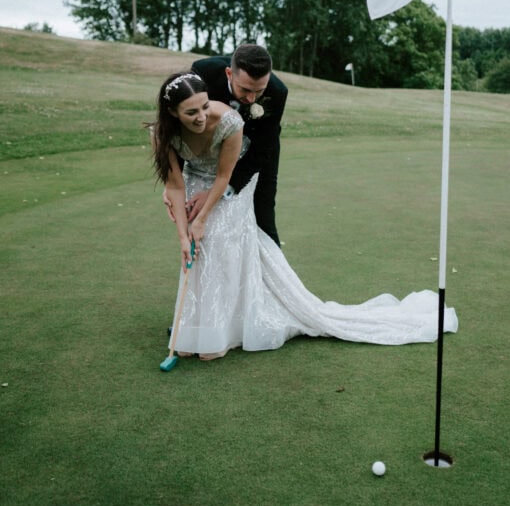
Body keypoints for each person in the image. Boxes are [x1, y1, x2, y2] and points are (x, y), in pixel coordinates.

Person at [152, 71, 458, 361]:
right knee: (196, 250)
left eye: (205, 106)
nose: (202, 116)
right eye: (191, 113)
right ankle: (193, 331)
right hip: (194, 183)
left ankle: (220, 333)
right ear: (172, 113)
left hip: (230, 185)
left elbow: (224, 177)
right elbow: (176, 186)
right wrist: (183, 234)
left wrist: (204, 217)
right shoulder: (162, 134)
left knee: (217, 240)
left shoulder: (229, 121)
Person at [190, 44, 287, 245]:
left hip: (259, 145)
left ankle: (270, 272)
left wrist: (223, 190)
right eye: (245, 89)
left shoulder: (278, 92)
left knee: (264, 210)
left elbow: (261, 149)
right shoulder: (203, 74)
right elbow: (185, 125)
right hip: (216, 144)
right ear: (229, 74)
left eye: (259, 91)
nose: (251, 98)